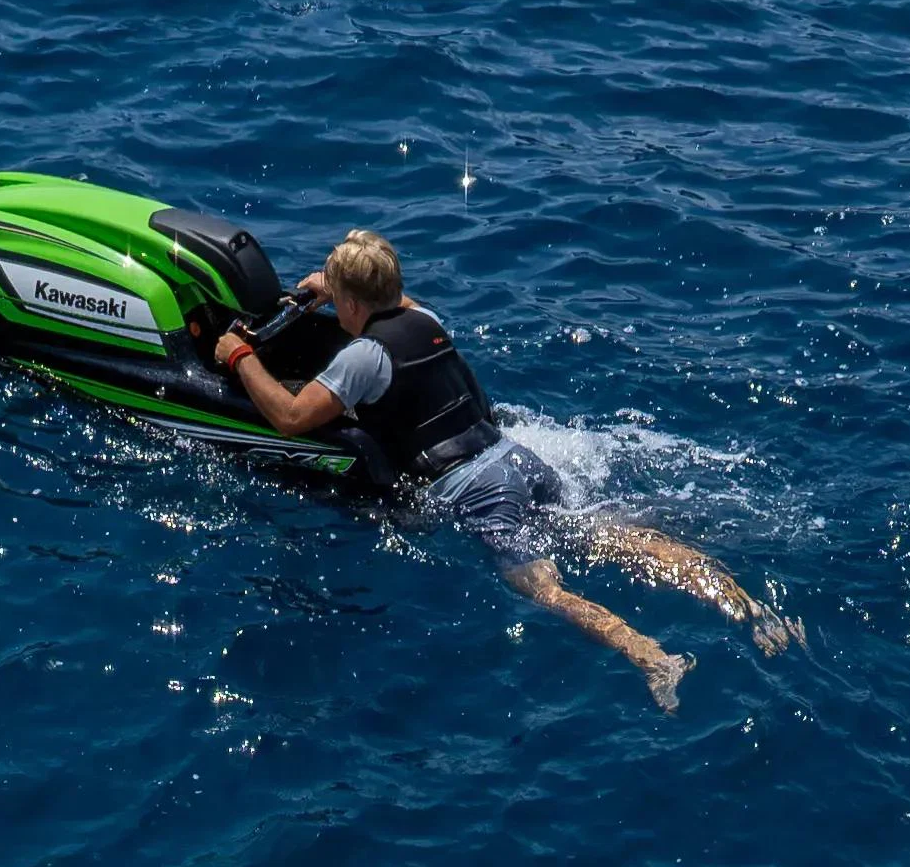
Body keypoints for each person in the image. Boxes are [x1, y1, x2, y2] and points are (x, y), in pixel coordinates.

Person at [206, 229, 798, 711]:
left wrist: (241, 357)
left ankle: (649, 655)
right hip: (516, 457)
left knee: (538, 585)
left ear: (353, 304)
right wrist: (330, 288)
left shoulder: (364, 356)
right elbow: (385, 302)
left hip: (474, 486)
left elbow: (289, 415)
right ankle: (747, 607)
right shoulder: (424, 317)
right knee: (615, 537)